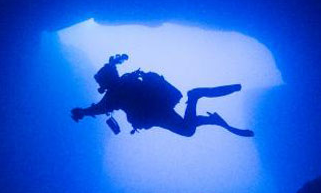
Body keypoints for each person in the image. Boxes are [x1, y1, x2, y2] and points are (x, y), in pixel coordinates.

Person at [71, 54, 254, 137]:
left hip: (155, 114)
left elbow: (99, 108)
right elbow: (100, 107)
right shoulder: (124, 83)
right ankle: (209, 116)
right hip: (159, 109)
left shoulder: (114, 95)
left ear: (106, 81)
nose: (100, 87)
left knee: (187, 130)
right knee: (187, 128)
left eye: (100, 83)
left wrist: (83, 112)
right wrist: (84, 112)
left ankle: (195, 96)